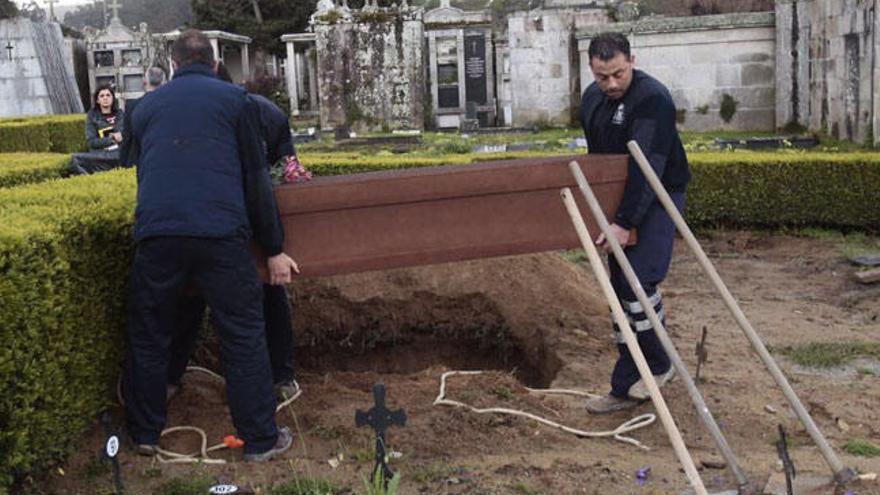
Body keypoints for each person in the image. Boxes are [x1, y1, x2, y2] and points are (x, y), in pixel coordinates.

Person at [122, 29, 299, 462]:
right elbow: (256, 178)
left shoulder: (143, 109)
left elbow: (131, 171)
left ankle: (144, 434)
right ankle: (259, 440)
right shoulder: (235, 102)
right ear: (216, 63)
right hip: (221, 235)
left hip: (159, 235)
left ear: (175, 64)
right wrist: (274, 246)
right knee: (242, 335)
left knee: (148, 334)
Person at [165, 61, 301, 402]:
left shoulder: (202, 114)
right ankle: (280, 376)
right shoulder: (266, 112)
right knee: (264, 298)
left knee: (196, 299)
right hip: (247, 222)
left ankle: (170, 377)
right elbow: (287, 174)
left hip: (217, 223)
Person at [579, 32, 691, 414]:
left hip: (658, 195)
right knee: (619, 292)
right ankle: (626, 384)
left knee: (639, 283)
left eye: (618, 74)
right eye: (601, 76)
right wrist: (606, 212)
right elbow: (599, 162)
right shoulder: (592, 100)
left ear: (632, 61)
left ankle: (659, 364)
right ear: (591, 70)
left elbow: (648, 168)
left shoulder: (652, 99)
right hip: (618, 198)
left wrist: (625, 222)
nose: (610, 84)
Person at [68, 84, 125, 174]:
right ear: (98, 100)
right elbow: (91, 142)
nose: (105, 98)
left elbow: (125, 135)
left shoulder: (120, 114)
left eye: (108, 95)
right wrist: (111, 139)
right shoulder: (92, 116)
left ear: (113, 98)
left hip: (119, 154)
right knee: (73, 159)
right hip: (101, 155)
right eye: (102, 96)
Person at [119, 66, 167, 168]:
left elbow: (127, 138)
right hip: (164, 160)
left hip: (138, 159)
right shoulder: (170, 105)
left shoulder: (132, 106)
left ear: (144, 81)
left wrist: (122, 163)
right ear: (164, 82)